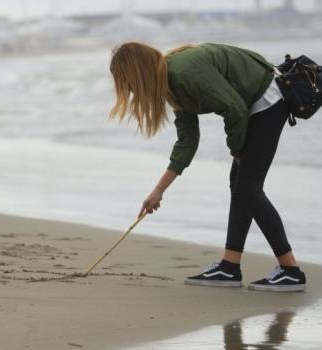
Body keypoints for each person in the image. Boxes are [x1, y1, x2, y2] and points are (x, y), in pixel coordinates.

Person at [108, 42, 306, 292]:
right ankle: (230, 267)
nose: (131, 91)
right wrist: (158, 191)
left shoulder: (183, 72)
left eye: (128, 83)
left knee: (247, 188)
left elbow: (233, 107)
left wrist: (237, 151)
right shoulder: (171, 84)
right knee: (241, 186)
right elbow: (187, 142)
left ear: (138, 73)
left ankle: (290, 271)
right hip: (254, 105)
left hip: (268, 99)